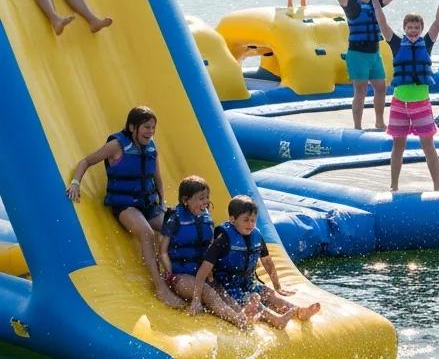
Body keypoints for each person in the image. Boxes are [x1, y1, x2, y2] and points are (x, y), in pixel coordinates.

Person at [66, 105, 182, 310]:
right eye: (146, 127)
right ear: (132, 126)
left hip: (148, 204)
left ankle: (181, 278)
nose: (150, 132)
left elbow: (157, 176)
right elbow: (86, 161)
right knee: (146, 233)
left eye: (153, 128)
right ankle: (160, 287)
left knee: (176, 229)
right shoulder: (116, 145)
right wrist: (75, 183)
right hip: (125, 206)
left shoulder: (151, 146)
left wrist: (162, 202)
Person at [192, 195, 320, 328]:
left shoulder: (256, 235)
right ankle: (276, 319)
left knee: (268, 294)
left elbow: (268, 262)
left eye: (253, 220)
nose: (250, 224)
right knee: (251, 301)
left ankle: (299, 311)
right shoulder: (223, 239)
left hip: (247, 282)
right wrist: (196, 298)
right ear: (232, 219)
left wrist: (277, 286)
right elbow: (204, 269)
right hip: (226, 284)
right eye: (246, 220)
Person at [369, 0, 439, 191]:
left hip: (421, 103)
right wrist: (376, 2)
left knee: (428, 146)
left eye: (416, 27)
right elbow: (382, 23)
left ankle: (437, 186)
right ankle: (393, 186)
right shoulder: (396, 43)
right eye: (410, 27)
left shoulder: (427, 42)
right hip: (399, 103)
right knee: (398, 146)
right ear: (404, 28)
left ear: (421, 29)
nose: (413, 30)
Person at [159, 175, 255, 329]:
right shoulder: (175, 219)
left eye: (207, 197)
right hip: (180, 275)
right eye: (201, 198)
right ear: (186, 200)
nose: (206, 202)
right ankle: (239, 320)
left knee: (222, 292)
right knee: (207, 293)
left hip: (200, 273)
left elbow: (209, 248)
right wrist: (169, 274)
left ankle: (242, 314)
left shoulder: (205, 218)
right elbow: (163, 251)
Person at [333, 0, 409, 131]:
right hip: (357, 54)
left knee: (381, 88)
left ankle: (379, 121)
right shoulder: (352, 6)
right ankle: (357, 126)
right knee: (360, 91)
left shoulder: (377, 3)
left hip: (374, 53)